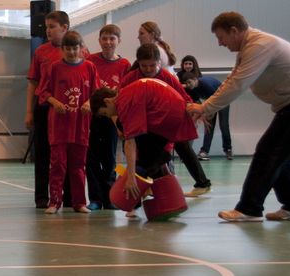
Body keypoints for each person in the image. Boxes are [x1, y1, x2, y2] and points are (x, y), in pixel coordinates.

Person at [188, 12, 290, 222]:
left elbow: (238, 84)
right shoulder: (249, 47)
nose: (220, 43)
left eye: (221, 37)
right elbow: (232, 80)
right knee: (278, 154)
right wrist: (206, 108)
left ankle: (249, 209)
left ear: (234, 31)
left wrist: (205, 107)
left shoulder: (259, 46)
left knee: (268, 151)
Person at [122, 44, 212, 198]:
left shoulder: (167, 76)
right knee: (150, 154)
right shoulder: (131, 78)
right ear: (138, 63)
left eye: (152, 65)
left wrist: (198, 112)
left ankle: (202, 183)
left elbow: (184, 97)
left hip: (169, 121)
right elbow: (120, 99)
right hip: (147, 124)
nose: (148, 69)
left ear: (159, 62)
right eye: (144, 66)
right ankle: (153, 186)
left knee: (182, 147)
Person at [90, 78, 198, 202]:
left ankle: (148, 179)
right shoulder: (125, 94)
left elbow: (130, 143)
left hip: (170, 116)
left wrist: (131, 178)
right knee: (144, 151)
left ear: (107, 101)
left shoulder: (125, 103)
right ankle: (162, 174)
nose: (108, 116)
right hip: (171, 112)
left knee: (145, 158)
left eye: (105, 113)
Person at [25, 10, 84, 209]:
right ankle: (42, 197)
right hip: (46, 107)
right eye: (46, 27)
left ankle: (70, 197)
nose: (48, 31)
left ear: (65, 27)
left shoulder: (81, 51)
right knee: (43, 153)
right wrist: (29, 111)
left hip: (71, 111)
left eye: (52, 27)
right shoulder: (41, 52)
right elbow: (33, 83)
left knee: (69, 155)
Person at [36, 31, 97, 214]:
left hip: (80, 125)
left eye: (75, 48)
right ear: (62, 49)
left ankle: (79, 202)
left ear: (81, 48)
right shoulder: (54, 67)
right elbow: (43, 92)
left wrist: (89, 103)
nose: (71, 52)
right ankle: (54, 202)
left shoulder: (90, 67)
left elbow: (96, 93)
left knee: (78, 165)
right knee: (58, 165)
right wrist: (55, 102)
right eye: (68, 49)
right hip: (59, 125)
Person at [86, 24, 130, 210]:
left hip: (112, 117)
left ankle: (110, 197)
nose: (108, 42)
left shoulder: (124, 65)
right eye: (104, 38)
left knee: (110, 159)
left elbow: (125, 93)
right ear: (99, 40)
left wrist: (119, 121)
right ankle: (95, 199)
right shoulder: (90, 61)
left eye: (112, 38)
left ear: (119, 41)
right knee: (91, 159)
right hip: (93, 117)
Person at [177, 55, 232, 161]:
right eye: (186, 84)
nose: (188, 85)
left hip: (223, 100)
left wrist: (205, 115)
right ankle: (204, 151)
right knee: (208, 126)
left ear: (195, 79)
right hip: (212, 102)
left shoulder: (205, 85)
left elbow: (215, 102)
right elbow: (201, 105)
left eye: (189, 82)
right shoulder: (194, 87)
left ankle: (228, 149)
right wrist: (199, 117)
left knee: (223, 125)